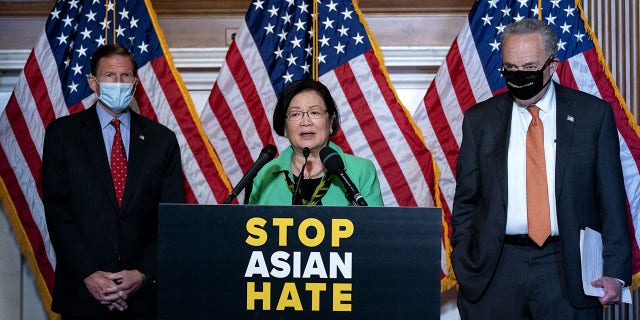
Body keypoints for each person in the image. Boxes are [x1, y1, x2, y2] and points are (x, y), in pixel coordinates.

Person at [450, 18, 631, 319]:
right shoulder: (479, 121)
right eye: (511, 69)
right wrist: (466, 261)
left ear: (552, 65)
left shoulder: (592, 116)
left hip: (567, 268)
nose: (520, 76)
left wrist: (614, 271)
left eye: (530, 68)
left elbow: (611, 202)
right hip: (495, 271)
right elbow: (466, 201)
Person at [42, 44, 184, 319]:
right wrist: (89, 274)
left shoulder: (161, 140)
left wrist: (142, 274)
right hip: (82, 293)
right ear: (93, 82)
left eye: (125, 76)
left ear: (135, 82)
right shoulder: (63, 134)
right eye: (109, 76)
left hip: (144, 297)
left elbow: (170, 215)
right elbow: (57, 211)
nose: (118, 83)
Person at [249, 79, 384, 206]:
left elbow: (374, 227)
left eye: (314, 112)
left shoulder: (361, 170)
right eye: (295, 114)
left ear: (331, 121)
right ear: (284, 127)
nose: (306, 122)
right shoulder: (264, 174)